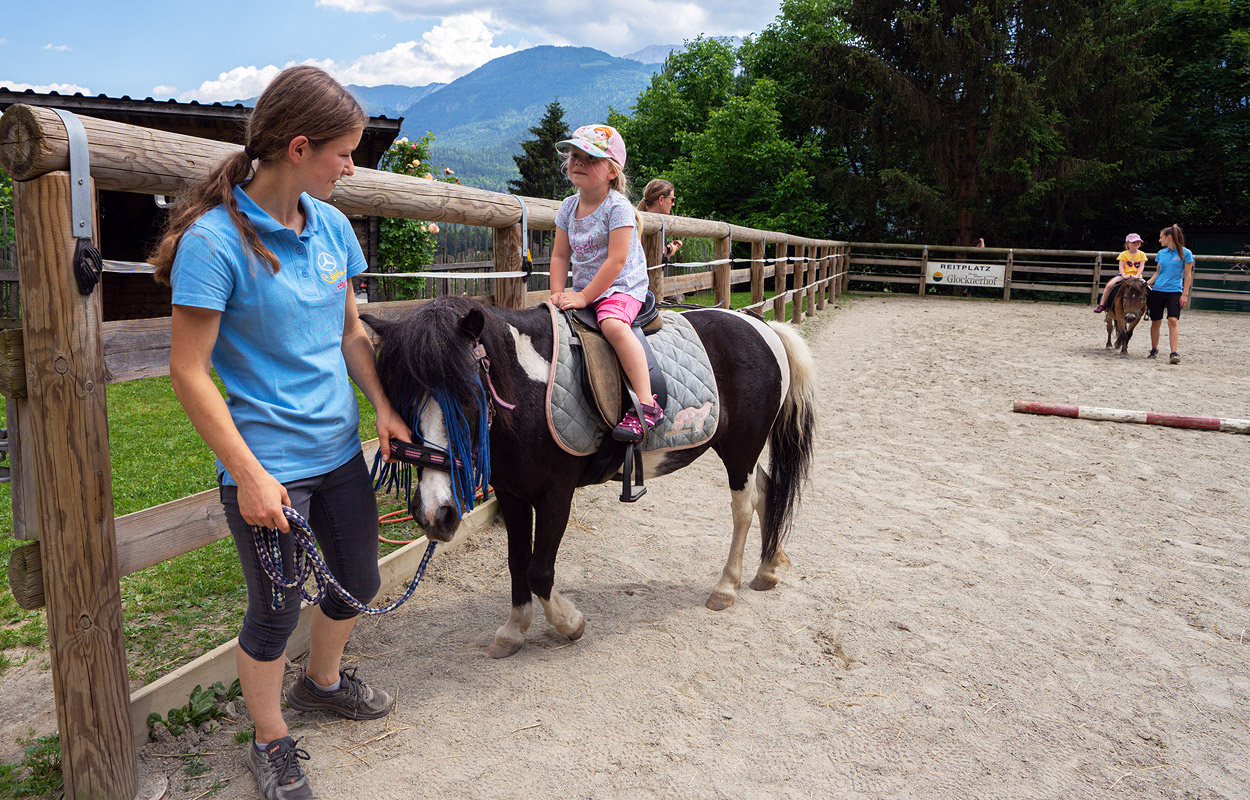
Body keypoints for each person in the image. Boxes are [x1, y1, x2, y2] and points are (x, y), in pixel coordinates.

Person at [150, 66, 411, 800]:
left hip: (337, 449)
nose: (351, 167)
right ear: (299, 147)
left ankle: (322, 683)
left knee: (359, 581)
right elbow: (189, 372)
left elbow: (352, 332)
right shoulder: (213, 244)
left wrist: (383, 407)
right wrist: (252, 474)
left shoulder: (329, 225)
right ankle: (270, 739)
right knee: (274, 609)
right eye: (345, 153)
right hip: (267, 465)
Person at [550, 124, 663, 441]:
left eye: (591, 158)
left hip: (621, 286)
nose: (579, 162)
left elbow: (616, 260)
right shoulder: (568, 207)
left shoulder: (618, 208)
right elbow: (559, 256)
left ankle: (645, 404)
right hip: (587, 288)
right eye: (575, 155)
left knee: (613, 325)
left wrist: (584, 296)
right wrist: (557, 293)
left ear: (613, 171)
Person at [1146, 223, 1195, 364]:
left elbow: (1188, 275)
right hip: (1157, 291)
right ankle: (1154, 349)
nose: (1159, 240)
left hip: (1174, 292)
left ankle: (1174, 352)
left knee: (1173, 320)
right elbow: (1157, 272)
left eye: (1161, 237)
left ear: (1168, 237)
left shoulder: (1186, 253)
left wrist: (1184, 294)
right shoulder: (1161, 254)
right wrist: (1147, 283)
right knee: (1156, 321)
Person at [1093, 233, 1150, 313]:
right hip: (1124, 275)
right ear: (1127, 244)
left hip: (1137, 277)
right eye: (1134, 242)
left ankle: (1149, 308)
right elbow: (1121, 266)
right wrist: (1124, 275)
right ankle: (1102, 304)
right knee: (1109, 285)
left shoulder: (1142, 254)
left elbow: (1141, 266)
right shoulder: (1123, 254)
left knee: (1149, 289)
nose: (1136, 243)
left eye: (1138, 242)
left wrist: (1137, 275)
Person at [637, 179, 682, 258]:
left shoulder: (639, 219)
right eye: (672, 199)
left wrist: (668, 249)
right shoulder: (637, 222)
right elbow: (640, 254)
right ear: (661, 199)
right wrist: (668, 249)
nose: (673, 204)